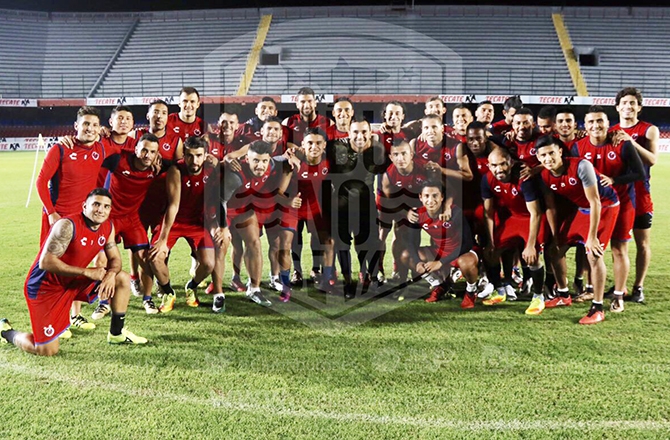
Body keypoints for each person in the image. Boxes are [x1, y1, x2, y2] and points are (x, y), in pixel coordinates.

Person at [0, 189, 147, 356]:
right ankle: (6, 332)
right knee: (47, 350)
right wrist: (86, 272)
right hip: (45, 289)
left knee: (122, 278)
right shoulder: (67, 225)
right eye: (96, 204)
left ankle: (116, 334)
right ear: (84, 206)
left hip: (73, 282)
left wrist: (111, 275)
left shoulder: (108, 227)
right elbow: (46, 261)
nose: (101, 210)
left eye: (106, 206)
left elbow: (115, 259)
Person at [36, 106, 111, 333]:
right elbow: (41, 182)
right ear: (76, 126)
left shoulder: (100, 148)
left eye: (94, 125)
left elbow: (123, 140)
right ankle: (52, 319)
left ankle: (74, 315)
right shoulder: (61, 148)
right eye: (85, 124)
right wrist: (52, 213)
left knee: (78, 267)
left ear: (99, 128)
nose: (90, 128)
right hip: (58, 219)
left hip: (83, 219)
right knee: (53, 270)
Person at [536, 136, 620, 325]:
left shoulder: (582, 166)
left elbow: (595, 201)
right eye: (543, 155)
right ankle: (563, 295)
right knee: (555, 251)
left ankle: (598, 308)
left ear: (560, 152)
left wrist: (592, 237)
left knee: (594, 254)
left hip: (605, 207)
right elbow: (551, 206)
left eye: (551, 153)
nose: (548, 158)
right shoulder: (543, 174)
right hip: (582, 209)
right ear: (538, 158)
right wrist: (555, 236)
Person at [572, 106, 644, 313]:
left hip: (623, 203)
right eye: (591, 122)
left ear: (607, 124)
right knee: (592, 248)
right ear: (585, 126)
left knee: (619, 249)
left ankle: (619, 295)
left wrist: (614, 180)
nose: (596, 125)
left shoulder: (621, 144)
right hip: (594, 206)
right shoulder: (578, 146)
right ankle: (591, 289)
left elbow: (639, 173)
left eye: (600, 121)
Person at [149, 136, 222, 313]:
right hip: (173, 221)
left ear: (205, 155)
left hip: (198, 223)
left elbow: (221, 198)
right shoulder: (176, 170)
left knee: (209, 264)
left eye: (198, 155)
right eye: (189, 155)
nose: (194, 160)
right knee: (155, 256)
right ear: (184, 155)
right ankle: (168, 292)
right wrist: (162, 240)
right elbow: (173, 205)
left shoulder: (212, 170)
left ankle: (191, 286)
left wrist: (218, 225)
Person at [328, 117, 389, 298]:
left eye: (364, 132)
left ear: (370, 133)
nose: (359, 136)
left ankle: (372, 278)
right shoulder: (336, 148)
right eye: (355, 132)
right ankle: (348, 283)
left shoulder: (377, 150)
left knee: (369, 244)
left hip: (366, 206)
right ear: (348, 133)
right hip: (341, 207)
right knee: (342, 245)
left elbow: (391, 167)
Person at [480, 148, 546, 314]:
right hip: (514, 218)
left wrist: (530, 245)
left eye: (503, 164)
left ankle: (538, 296)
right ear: (488, 165)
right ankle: (500, 290)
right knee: (491, 253)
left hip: (532, 218)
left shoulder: (524, 178)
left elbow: (536, 213)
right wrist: (491, 242)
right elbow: (488, 213)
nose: (499, 169)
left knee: (531, 257)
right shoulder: (487, 179)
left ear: (511, 163)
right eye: (494, 165)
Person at [610, 87, 659, 303]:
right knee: (618, 244)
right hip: (619, 193)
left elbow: (652, 160)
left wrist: (630, 140)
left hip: (640, 193)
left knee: (642, 243)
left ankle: (638, 286)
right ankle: (620, 285)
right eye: (624, 103)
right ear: (617, 107)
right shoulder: (611, 131)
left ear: (639, 107)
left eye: (633, 103)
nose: (628, 106)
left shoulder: (649, 130)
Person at [105, 133, 163, 314]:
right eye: (144, 150)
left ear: (157, 154)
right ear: (135, 149)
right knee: (104, 259)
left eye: (152, 152)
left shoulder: (157, 167)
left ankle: (148, 299)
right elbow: (93, 158)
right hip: (111, 218)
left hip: (132, 218)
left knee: (145, 258)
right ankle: (104, 302)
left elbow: (181, 165)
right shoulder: (118, 159)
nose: (147, 155)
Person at [401, 181, 480, 308]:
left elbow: (467, 244)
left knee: (466, 262)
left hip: (462, 252)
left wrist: (440, 262)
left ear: (442, 197)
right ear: (420, 197)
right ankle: (439, 285)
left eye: (435, 196)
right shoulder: (417, 215)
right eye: (426, 196)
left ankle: (471, 291)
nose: (430, 200)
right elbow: (411, 242)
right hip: (439, 251)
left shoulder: (454, 212)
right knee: (406, 256)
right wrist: (417, 262)